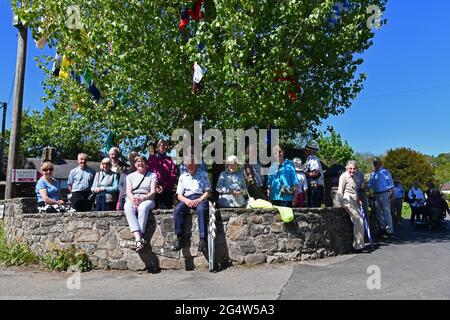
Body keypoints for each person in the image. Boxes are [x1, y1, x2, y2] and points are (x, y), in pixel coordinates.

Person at [172, 155, 211, 252]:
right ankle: (179, 238)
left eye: (192, 163)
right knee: (177, 209)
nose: (190, 165)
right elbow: (179, 195)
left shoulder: (203, 174)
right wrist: (187, 201)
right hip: (187, 198)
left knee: (202, 210)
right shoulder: (182, 177)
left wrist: (199, 199)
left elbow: (208, 192)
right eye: (188, 163)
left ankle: (203, 240)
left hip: (200, 197)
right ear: (185, 165)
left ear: (196, 164)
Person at [124, 156, 157, 252]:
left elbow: (153, 192)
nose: (140, 163)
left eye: (142, 161)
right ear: (135, 164)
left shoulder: (152, 175)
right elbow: (128, 192)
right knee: (127, 207)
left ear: (146, 164)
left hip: (147, 198)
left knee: (142, 208)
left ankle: (138, 239)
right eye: (138, 162)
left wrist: (143, 198)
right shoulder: (130, 176)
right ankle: (138, 239)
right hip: (133, 197)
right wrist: (133, 200)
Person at [338, 161, 365, 253]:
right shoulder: (344, 176)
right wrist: (343, 204)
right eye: (350, 168)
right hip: (347, 201)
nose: (352, 171)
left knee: (360, 221)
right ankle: (358, 246)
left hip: (355, 201)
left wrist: (358, 199)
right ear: (346, 168)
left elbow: (354, 190)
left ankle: (359, 245)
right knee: (359, 221)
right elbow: (340, 192)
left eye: (354, 169)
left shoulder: (356, 177)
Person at [367, 158, 395, 236]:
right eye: (374, 163)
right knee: (378, 213)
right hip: (376, 194)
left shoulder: (385, 172)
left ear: (380, 163)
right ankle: (382, 228)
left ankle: (389, 230)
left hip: (385, 193)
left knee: (386, 212)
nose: (375, 164)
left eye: (376, 163)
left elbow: (391, 184)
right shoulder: (373, 174)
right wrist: (364, 187)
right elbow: (370, 184)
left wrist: (392, 194)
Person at [147, 140, 178, 209]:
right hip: (153, 189)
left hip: (167, 190)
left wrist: (163, 187)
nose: (162, 147)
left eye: (164, 145)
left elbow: (173, 175)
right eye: (161, 145)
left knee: (166, 213)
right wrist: (156, 186)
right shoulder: (152, 159)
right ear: (157, 147)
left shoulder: (170, 160)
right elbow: (149, 173)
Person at [303, 142, 324, 207]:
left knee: (314, 208)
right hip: (314, 187)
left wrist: (304, 173)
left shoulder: (313, 159)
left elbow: (315, 173)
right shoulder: (310, 159)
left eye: (305, 150)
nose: (304, 151)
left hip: (315, 188)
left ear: (309, 151)